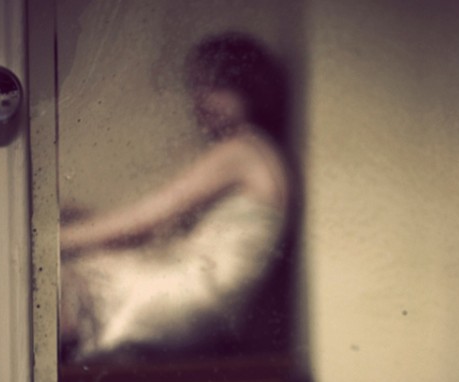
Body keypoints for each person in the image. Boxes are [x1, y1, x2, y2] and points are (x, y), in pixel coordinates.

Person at [60, 32, 292, 361]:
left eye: (217, 86)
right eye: (196, 86)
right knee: (79, 274)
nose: (201, 99)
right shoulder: (260, 150)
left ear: (249, 87)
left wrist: (51, 241)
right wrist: (83, 219)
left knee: (66, 280)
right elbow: (159, 229)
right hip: (212, 304)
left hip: (194, 296)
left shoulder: (241, 151)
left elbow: (145, 220)